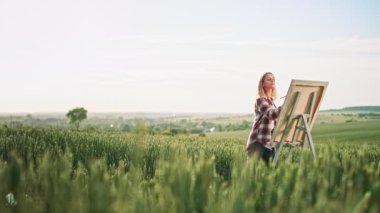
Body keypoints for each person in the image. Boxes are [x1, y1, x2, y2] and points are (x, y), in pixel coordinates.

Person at [246, 72, 282, 165]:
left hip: (268, 143)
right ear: (262, 83)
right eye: (269, 79)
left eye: (273, 79)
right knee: (252, 173)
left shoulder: (272, 102)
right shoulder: (260, 100)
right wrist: (286, 107)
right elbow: (271, 114)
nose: (272, 81)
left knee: (273, 171)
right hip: (258, 143)